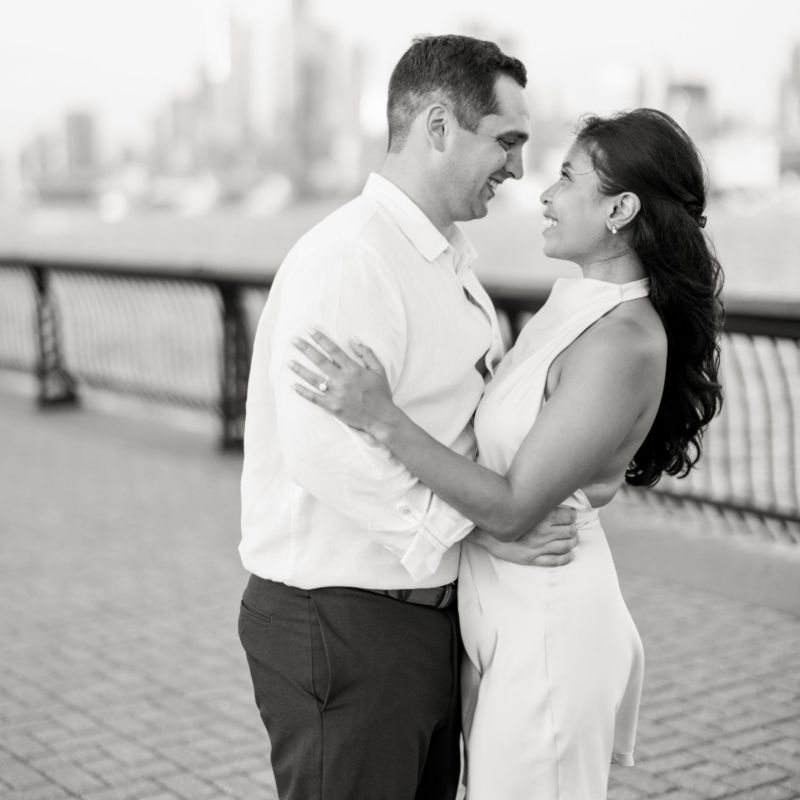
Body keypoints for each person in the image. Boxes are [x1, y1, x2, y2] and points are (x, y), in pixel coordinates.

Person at [290, 107, 724, 798]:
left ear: (620, 209)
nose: (544, 194)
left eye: (567, 178)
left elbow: (516, 506)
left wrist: (382, 416)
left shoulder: (622, 340)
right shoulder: (574, 307)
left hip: (548, 620)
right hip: (503, 614)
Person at [237, 35, 580, 800]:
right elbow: (324, 453)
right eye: (506, 140)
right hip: (343, 622)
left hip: (421, 618)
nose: (518, 167)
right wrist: (483, 528)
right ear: (438, 126)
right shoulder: (351, 258)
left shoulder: (446, 260)